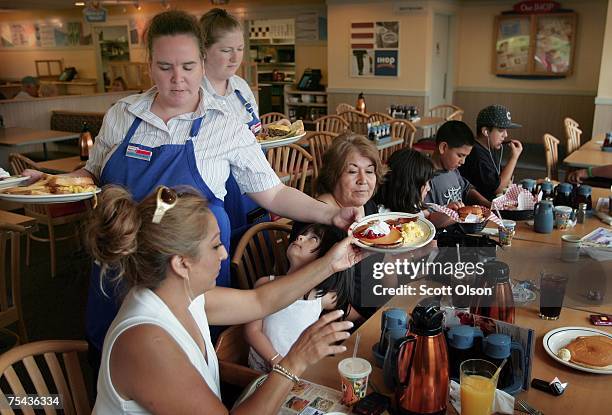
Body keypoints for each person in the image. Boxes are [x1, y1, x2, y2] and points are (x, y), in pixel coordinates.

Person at [23, 10, 359, 377]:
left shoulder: (225, 125)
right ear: (149, 65)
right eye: (165, 66)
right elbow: (93, 173)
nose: (178, 79)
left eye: (187, 65)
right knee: (116, 371)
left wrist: (330, 214)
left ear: (202, 63)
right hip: (119, 266)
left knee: (183, 373)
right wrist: (54, 181)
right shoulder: (122, 114)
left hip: (189, 277)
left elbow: (274, 194)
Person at [89, 185, 364, 414]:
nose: (223, 254)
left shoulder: (180, 295)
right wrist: (294, 361)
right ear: (182, 264)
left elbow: (260, 301)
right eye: (216, 244)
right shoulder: (146, 342)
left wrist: (331, 264)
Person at [292, 133, 390, 321]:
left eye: (369, 171)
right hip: (340, 320)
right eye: (352, 172)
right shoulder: (315, 223)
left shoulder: (367, 206)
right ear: (333, 175)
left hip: (373, 303)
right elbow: (313, 294)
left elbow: (378, 265)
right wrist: (368, 319)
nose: (363, 180)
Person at [245, 224, 353, 372]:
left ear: (326, 255)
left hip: (299, 372)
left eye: (313, 238)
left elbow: (343, 298)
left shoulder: (323, 297)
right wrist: (277, 362)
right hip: (261, 371)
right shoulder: (265, 284)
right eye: (303, 234)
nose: (300, 237)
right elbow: (252, 331)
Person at [199, 8, 264, 246]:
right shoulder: (194, 95)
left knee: (256, 250)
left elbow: (258, 134)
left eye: (240, 49)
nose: (236, 58)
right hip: (218, 195)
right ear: (203, 50)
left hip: (256, 184)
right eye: (226, 50)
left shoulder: (240, 87)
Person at [460, 104, 523, 200]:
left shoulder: (488, 147)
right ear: (486, 131)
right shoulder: (477, 155)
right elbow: (498, 188)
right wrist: (514, 158)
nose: (505, 135)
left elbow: (501, 179)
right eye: (501, 130)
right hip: (480, 208)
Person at [425, 120, 491, 211]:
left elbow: (467, 189)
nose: (463, 162)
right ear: (443, 148)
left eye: (466, 156)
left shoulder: (453, 170)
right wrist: (448, 214)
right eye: (460, 155)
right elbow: (427, 215)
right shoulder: (426, 177)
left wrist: (486, 203)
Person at [375, 148, 434, 217]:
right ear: (410, 187)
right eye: (426, 182)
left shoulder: (409, 205)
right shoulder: (386, 218)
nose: (428, 188)